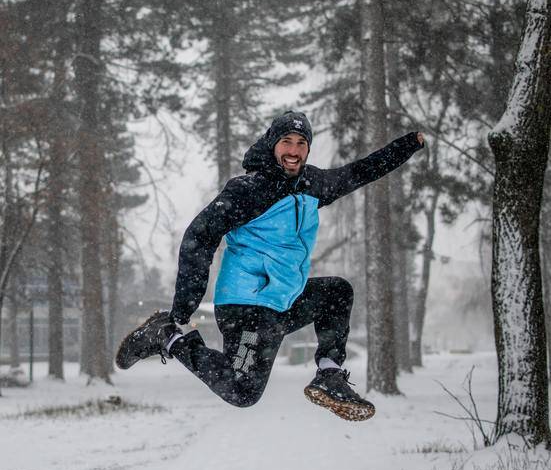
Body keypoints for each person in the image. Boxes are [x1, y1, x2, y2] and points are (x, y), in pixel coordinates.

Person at [116, 111, 424, 421]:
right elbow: (199, 236)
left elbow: (360, 172)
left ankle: (329, 374)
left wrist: (410, 144)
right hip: (246, 305)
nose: (293, 150)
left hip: (279, 302)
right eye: (286, 141)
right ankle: (168, 336)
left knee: (336, 292)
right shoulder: (248, 189)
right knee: (243, 391)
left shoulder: (312, 184)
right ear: (272, 144)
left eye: (301, 143)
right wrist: (183, 310)